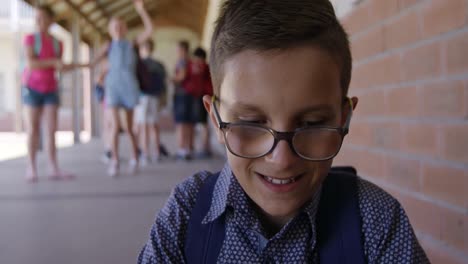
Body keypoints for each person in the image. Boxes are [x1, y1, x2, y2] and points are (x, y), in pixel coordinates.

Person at [138, 0, 429, 263]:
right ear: (215, 120)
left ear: (344, 119)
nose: (282, 159)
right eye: (251, 122)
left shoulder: (376, 223)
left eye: (312, 123)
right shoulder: (187, 214)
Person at [83, 0, 153, 177]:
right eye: (115, 26)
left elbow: (149, 30)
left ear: (126, 28)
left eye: (121, 26)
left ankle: (135, 157)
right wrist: (73, 65)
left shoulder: (132, 44)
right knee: (114, 126)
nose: (118, 29)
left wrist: (142, 10)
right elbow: (92, 63)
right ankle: (114, 160)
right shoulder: (108, 46)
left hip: (129, 88)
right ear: (109, 29)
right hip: (112, 88)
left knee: (129, 128)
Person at [22, 5, 76, 182]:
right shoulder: (30, 39)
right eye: (37, 18)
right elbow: (31, 64)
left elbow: (59, 67)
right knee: (32, 129)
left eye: (43, 18)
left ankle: (53, 167)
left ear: (51, 20)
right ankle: (32, 167)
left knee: (51, 130)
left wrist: (66, 66)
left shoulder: (57, 43)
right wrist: (54, 62)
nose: (39, 21)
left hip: (51, 89)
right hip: (31, 88)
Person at [134, 39, 167, 165]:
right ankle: (157, 152)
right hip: (154, 97)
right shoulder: (159, 64)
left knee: (143, 125)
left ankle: (145, 153)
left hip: (142, 97)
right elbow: (163, 84)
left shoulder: (139, 63)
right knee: (154, 124)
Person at [185, 47, 213, 159]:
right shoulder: (205, 67)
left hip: (199, 96)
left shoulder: (198, 67)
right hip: (199, 96)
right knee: (200, 123)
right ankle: (197, 148)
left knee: (202, 123)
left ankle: (203, 148)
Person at [171, 40, 195, 161]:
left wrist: (172, 79)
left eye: (177, 49)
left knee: (181, 122)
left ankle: (182, 149)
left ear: (182, 50)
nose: (176, 52)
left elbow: (182, 76)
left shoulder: (182, 61)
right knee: (189, 122)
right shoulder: (191, 61)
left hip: (181, 94)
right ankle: (189, 147)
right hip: (190, 94)